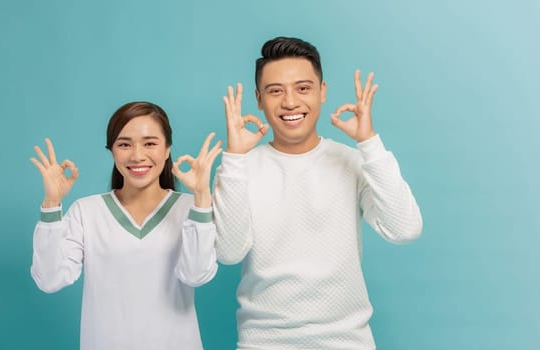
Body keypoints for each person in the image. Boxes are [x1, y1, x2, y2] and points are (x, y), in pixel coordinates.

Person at [214, 36, 424, 348]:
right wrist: (232, 159)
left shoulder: (352, 161)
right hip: (264, 342)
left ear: (322, 92)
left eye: (303, 88)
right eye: (276, 91)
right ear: (259, 100)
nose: (290, 102)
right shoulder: (239, 169)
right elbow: (227, 252)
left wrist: (369, 144)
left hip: (347, 341)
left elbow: (405, 229)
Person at [29, 101, 222, 350]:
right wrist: (51, 203)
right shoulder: (87, 211)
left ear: (167, 150)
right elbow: (49, 279)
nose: (137, 155)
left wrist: (202, 199)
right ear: (112, 151)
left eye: (150, 143)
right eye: (124, 144)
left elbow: (196, 275)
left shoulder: (191, 208)